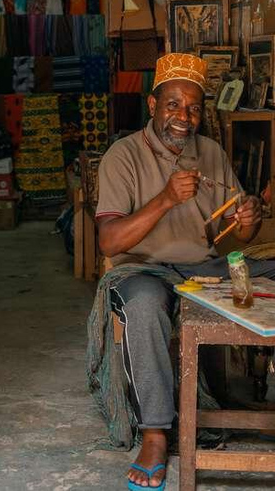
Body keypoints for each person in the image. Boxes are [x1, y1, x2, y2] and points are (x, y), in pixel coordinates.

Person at [95, 53, 274, 491]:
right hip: (142, 269)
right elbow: (110, 243)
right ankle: (155, 433)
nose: (183, 116)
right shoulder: (123, 156)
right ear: (153, 106)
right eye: (173, 104)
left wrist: (247, 223)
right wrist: (164, 200)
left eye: (193, 107)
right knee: (144, 304)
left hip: (203, 266)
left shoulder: (209, 152)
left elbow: (229, 242)